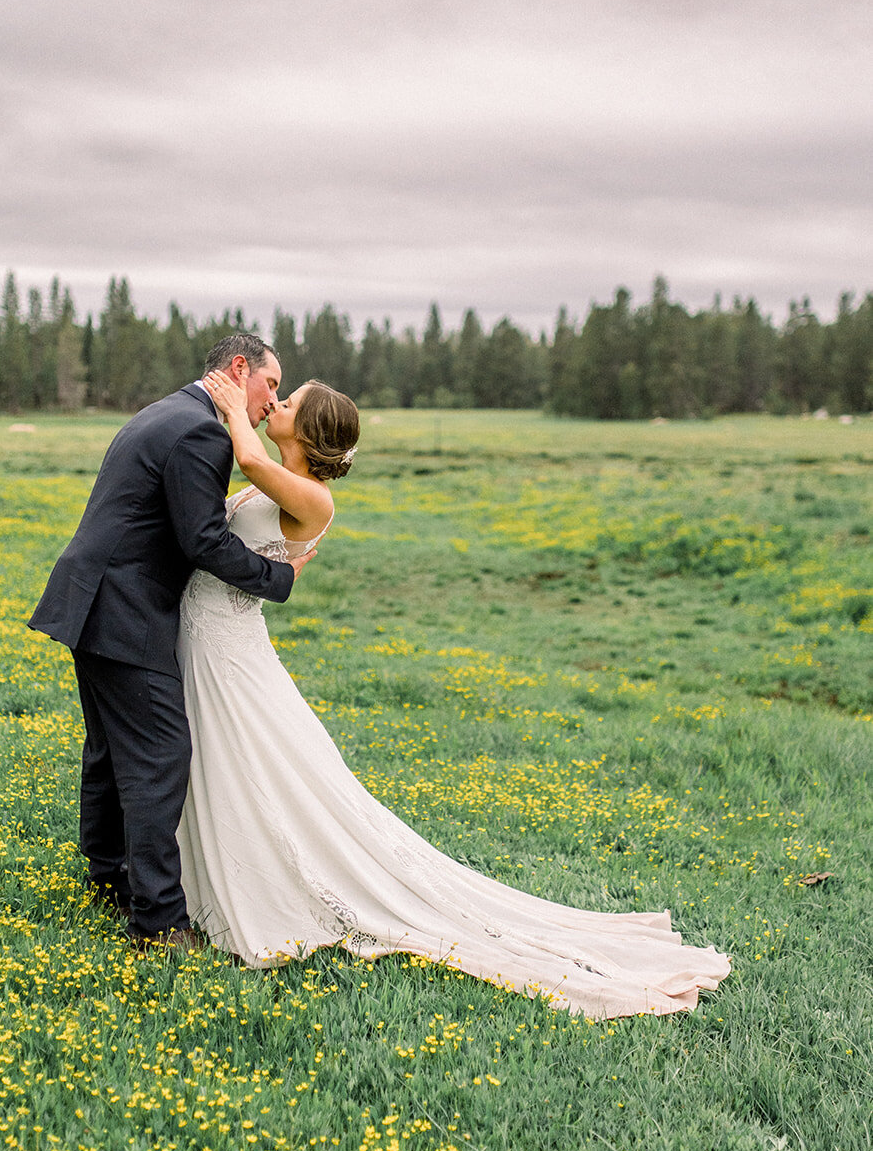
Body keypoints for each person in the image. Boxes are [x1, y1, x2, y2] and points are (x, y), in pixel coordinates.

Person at [175, 369, 731, 1020]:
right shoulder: (283, 478)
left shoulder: (314, 498)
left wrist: (226, 404)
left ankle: (253, 890)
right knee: (230, 760)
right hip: (215, 637)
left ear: (307, 428)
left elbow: (247, 455)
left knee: (243, 762)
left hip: (227, 645)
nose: (277, 402)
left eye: (288, 401)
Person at [28, 335, 314, 948]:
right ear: (241, 370)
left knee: (109, 752)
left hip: (95, 599)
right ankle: (157, 923)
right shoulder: (201, 432)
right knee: (158, 755)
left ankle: (109, 880)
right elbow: (203, 540)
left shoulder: (169, 410)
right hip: (124, 610)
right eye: (269, 385)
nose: (271, 402)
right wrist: (279, 577)